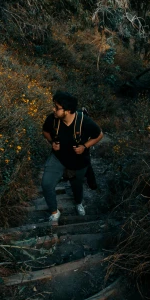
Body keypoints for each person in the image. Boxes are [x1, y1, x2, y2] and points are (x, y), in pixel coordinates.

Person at [41, 90, 103, 223]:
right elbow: (45, 131)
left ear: (68, 110)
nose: (53, 109)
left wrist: (84, 146)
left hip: (78, 161)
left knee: (77, 186)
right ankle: (54, 212)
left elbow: (99, 135)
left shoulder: (84, 122)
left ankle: (78, 203)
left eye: (57, 108)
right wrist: (52, 142)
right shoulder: (52, 119)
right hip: (58, 158)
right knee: (46, 184)